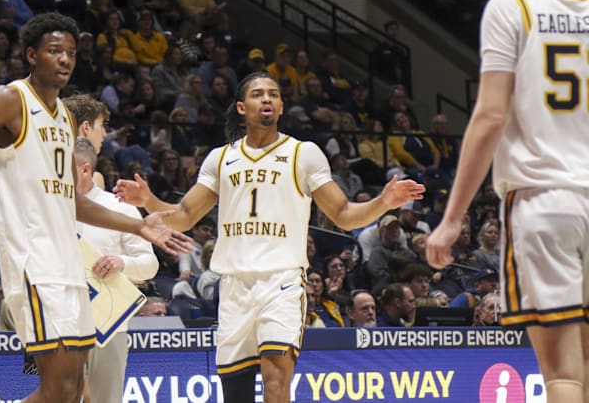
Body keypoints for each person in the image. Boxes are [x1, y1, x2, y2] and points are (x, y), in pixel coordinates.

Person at [0, 13, 190, 403]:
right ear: (31, 54)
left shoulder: (64, 118)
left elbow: (71, 202)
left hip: (69, 268)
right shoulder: (10, 99)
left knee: (76, 391)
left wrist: (138, 228)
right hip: (34, 263)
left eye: (71, 53)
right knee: (58, 391)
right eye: (54, 51)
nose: (64, 60)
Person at [113, 71, 425, 402]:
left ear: (280, 106)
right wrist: (147, 201)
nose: (267, 99)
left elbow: (344, 215)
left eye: (274, 94)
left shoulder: (303, 153)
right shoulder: (221, 158)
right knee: (236, 393)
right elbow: (185, 215)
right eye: (258, 94)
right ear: (241, 108)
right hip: (233, 285)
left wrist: (383, 202)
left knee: (276, 378)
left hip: (282, 282)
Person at [426, 0, 589, 401]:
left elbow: (491, 116)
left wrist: (452, 219)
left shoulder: (513, 7)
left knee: (564, 375)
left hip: (544, 198)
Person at [73, 137, 159, 403]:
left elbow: (150, 265)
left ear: (85, 169)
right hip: (55, 322)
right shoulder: (45, 208)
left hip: (109, 325)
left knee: (106, 399)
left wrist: (122, 262)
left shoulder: (120, 207)